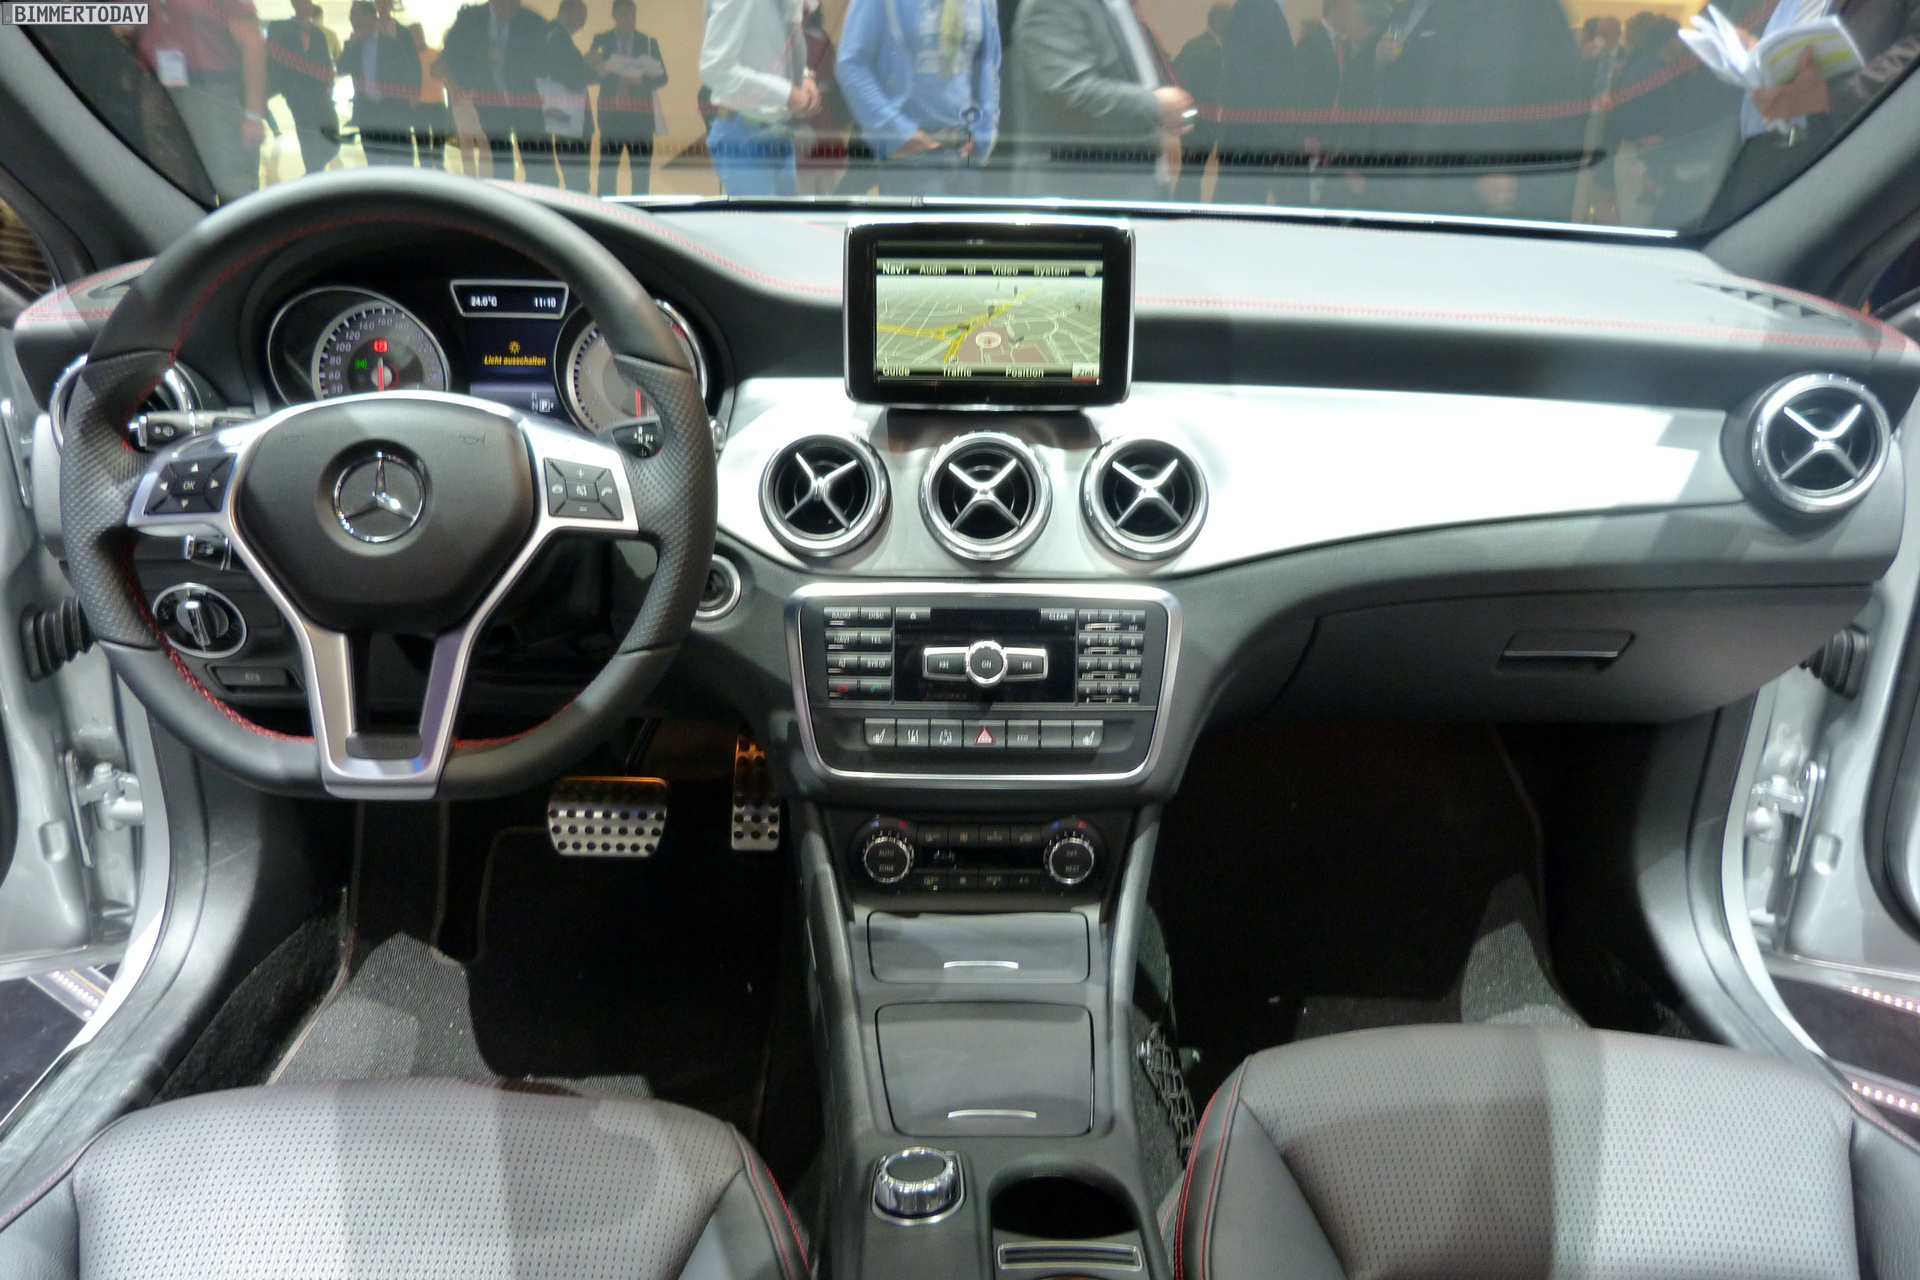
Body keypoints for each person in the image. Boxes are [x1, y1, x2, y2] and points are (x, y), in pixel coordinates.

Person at [1365, 0, 1586, 221]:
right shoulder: (1450, 9)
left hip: (1500, 186)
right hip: (1452, 173)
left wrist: (1505, 165)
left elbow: (1558, 96)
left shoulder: (1529, 11)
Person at [1704, 0, 1920, 222]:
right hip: (1756, 160)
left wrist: (1826, 97)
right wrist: (1757, 53)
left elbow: (1914, 50)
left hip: (1836, 165)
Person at [1007, 0, 1193, 199]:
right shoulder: (1057, 3)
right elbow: (1069, 94)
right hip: (1077, 196)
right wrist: (1156, 106)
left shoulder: (1113, 4)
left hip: (1120, 187)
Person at [835, 0, 1002, 195]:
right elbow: (852, 62)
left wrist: (984, 132)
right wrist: (895, 130)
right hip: (912, 156)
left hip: (966, 150)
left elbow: (990, 62)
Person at [134, 0, 269, 202]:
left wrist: (254, 115)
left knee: (234, 190)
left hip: (213, 90)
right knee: (173, 189)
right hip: (157, 89)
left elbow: (253, 46)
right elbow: (120, 20)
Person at [700, 0, 815, 194]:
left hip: (780, 131)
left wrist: (803, 76)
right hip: (744, 135)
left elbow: (775, 47)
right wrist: (786, 94)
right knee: (760, 215)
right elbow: (715, 69)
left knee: (785, 214)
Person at [441, 0, 551, 180]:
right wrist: (469, 81)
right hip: (490, 105)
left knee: (537, 163)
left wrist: (506, 60)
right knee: (500, 161)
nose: (509, 8)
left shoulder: (531, 22)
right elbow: (453, 54)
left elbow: (544, 62)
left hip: (527, 106)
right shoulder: (471, 19)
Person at [1289, 0, 1387, 201]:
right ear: (1337, 6)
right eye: (1350, 6)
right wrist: (1307, 132)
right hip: (1315, 135)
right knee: (1311, 194)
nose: (1352, 13)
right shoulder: (1312, 40)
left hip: (1334, 136)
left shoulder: (1345, 45)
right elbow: (1301, 91)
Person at [1213, 0, 1296, 202]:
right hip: (1255, 133)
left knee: (1234, 199)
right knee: (1242, 200)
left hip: (1246, 131)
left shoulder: (1250, 10)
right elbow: (1277, 79)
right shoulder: (1260, 11)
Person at [587, 0, 669, 195]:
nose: (630, 19)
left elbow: (663, 77)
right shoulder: (601, 40)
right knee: (607, 172)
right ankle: (604, 210)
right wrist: (599, 69)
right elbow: (588, 75)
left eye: (633, 14)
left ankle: (639, 210)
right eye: (624, 14)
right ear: (614, 15)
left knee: (641, 174)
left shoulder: (648, 42)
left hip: (640, 118)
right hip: (611, 116)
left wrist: (642, 81)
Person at [340, 0, 421, 164]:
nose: (351, 19)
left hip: (394, 111)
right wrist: (351, 45)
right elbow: (341, 68)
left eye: (354, 15)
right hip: (368, 112)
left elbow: (411, 71)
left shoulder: (393, 40)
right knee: (375, 162)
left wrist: (413, 97)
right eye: (350, 16)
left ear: (369, 17)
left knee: (401, 162)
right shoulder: (354, 44)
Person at [267, 0, 341, 175]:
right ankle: (313, 171)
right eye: (303, 3)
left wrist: (328, 85)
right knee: (307, 134)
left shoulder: (318, 33)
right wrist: (286, 87)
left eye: (309, 3)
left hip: (321, 94)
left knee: (333, 139)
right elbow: (273, 60)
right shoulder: (280, 29)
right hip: (297, 94)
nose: (307, 7)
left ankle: (314, 171)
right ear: (294, 5)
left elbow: (325, 61)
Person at [1169, 2, 1228, 200]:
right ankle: (1187, 210)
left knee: (1189, 172)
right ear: (1219, 21)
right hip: (1205, 122)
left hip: (1188, 118)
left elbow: (1175, 74)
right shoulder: (1215, 51)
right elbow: (1215, 90)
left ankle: (1181, 209)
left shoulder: (1193, 45)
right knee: (1194, 173)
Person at [533, 0, 593, 187]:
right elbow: (572, 78)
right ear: (566, 10)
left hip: (556, 113)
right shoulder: (557, 37)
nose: (582, 25)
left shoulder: (545, 33)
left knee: (556, 175)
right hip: (570, 116)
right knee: (577, 179)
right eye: (581, 17)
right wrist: (590, 66)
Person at [411, 22, 457, 171]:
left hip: (437, 102)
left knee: (439, 136)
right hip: (419, 105)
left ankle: (438, 163)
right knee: (422, 140)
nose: (418, 36)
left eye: (419, 33)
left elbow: (446, 75)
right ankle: (425, 168)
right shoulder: (409, 57)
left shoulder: (436, 54)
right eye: (414, 34)